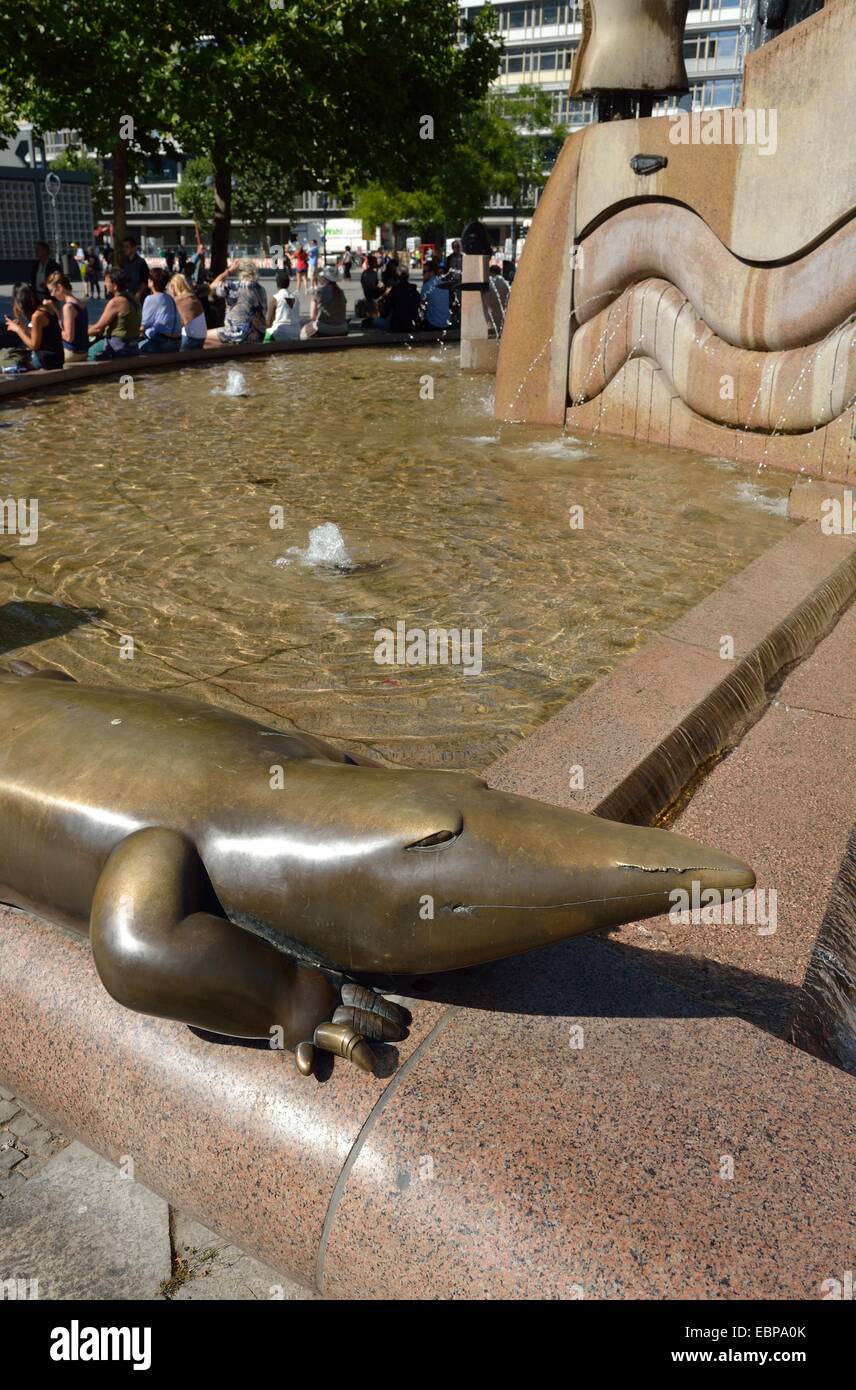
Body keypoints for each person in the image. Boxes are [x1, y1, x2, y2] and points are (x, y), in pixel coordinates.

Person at [204, 259, 267, 347]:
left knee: (202, 337)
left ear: (239, 272)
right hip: (258, 336)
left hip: (238, 335)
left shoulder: (233, 286)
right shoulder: (261, 289)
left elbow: (211, 287)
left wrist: (229, 271)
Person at [3, 283, 64, 369]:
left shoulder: (37, 316)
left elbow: (34, 346)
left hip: (47, 361)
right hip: (56, 358)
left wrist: (18, 330)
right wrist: (20, 323)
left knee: (7, 363)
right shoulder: (44, 308)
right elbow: (35, 337)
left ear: (21, 301)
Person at [87, 268, 141, 359]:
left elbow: (97, 329)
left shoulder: (116, 302)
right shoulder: (133, 298)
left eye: (107, 282)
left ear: (115, 286)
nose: (105, 284)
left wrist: (80, 333)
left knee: (90, 353)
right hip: (133, 345)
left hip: (119, 347)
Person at [47, 273, 90, 361]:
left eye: (52, 290)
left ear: (59, 287)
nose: (51, 295)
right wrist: (54, 309)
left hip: (71, 353)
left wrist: (52, 330)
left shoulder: (68, 307)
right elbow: (64, 326)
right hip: (83, 352)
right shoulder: (81, 304)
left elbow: (68, 337)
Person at [138, 267, 182, 353]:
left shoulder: (151, 298)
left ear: (152, 282)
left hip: (162, 343)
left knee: (134, 348)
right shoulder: (170, 298)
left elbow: (143, 326)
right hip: (177, 342)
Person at [299, 267, 349, 339]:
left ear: (326, 278)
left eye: (322, 276)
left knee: (302, 325)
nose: (320, 278)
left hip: (325, 329)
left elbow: (312, 316)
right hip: (342, 328)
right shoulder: (341, 292)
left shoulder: (319, 292)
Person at [166, 272, 207, 350]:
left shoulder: (179, 300)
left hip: (189, 339)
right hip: (202, 339)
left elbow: (175, 325)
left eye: (169, 288)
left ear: (173, 287)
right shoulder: (193, 297)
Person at [376, 266, 422, 333]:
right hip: (411, 325)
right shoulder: (414, 291)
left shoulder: (394, 291)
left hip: (397, 326)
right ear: (408, 276)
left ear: (397, 276)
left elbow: (384, 313)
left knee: (372, 322)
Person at [265, 270, 300, 342]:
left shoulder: (275, 299)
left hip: (279, 332)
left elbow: (268, 322)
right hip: (295, 332)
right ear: (288, 284)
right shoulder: (296, 298)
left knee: (267, 333)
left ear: (277, 284)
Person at [420, 260, 451, 330]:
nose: (423, 274)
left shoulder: (426, 286)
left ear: (432, 272)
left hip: (433, 323)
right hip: (446, 323)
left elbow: (421, 303)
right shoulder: (444, 284)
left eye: (424, 272)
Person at [119, 235, 150, 300]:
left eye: (127, 247)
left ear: (134, 248)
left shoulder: (141, 262)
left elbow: (145, 280)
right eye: (123, 247)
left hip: (139, 297)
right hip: (126, 296)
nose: (124, 249)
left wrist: (139, 294)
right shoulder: (123, 261)